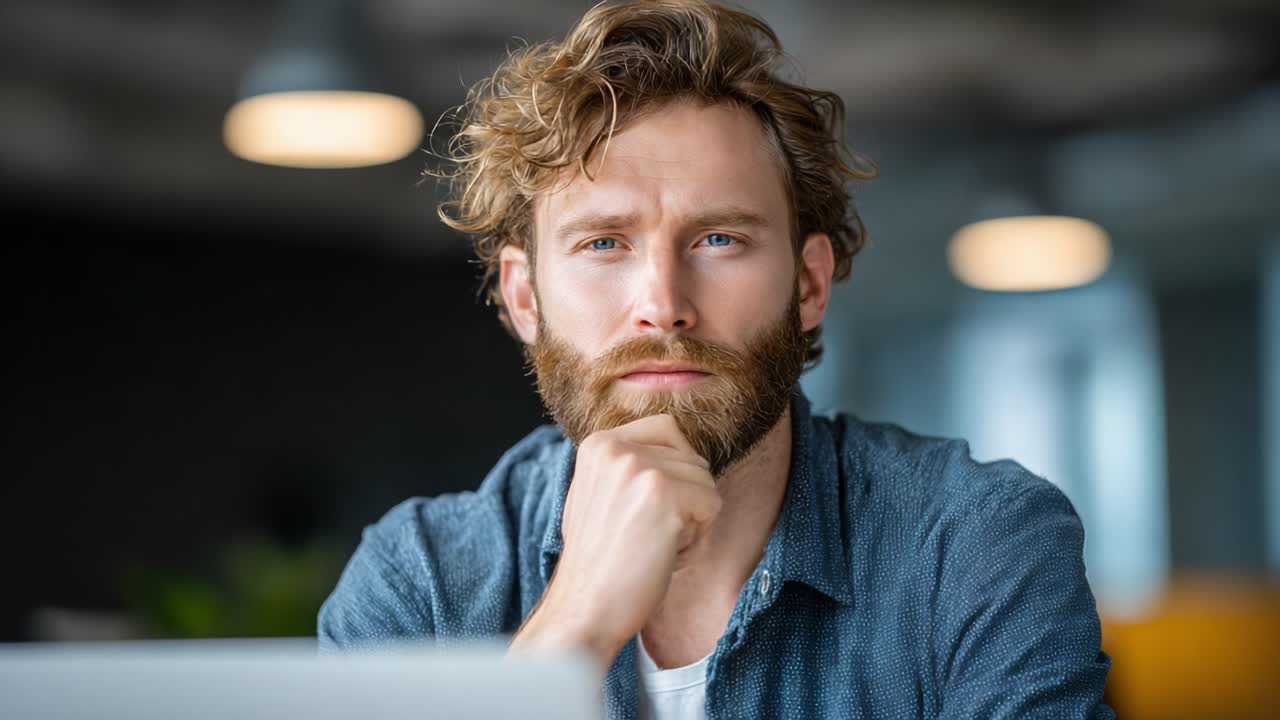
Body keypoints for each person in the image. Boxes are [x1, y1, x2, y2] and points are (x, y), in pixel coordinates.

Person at [318, 1, 1114, 717]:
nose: (663, 303)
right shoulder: (417, 582)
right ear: (526, 299)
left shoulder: (975, 546)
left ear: (807, 285)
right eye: (603, 243)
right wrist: (577, 622)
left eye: (719, 240)